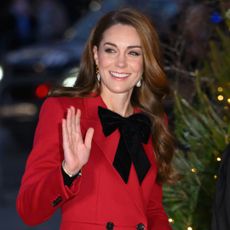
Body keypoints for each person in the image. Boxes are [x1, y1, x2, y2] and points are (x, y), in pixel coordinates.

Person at [16, 8, 175, 230]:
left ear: (146, 61)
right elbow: (29, 211)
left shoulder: (153, 120)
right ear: (95, 55)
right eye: (111, 50)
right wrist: (67, 172)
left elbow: (153, 210)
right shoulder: (64, 110)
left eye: (133, 53)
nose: (121, 63)